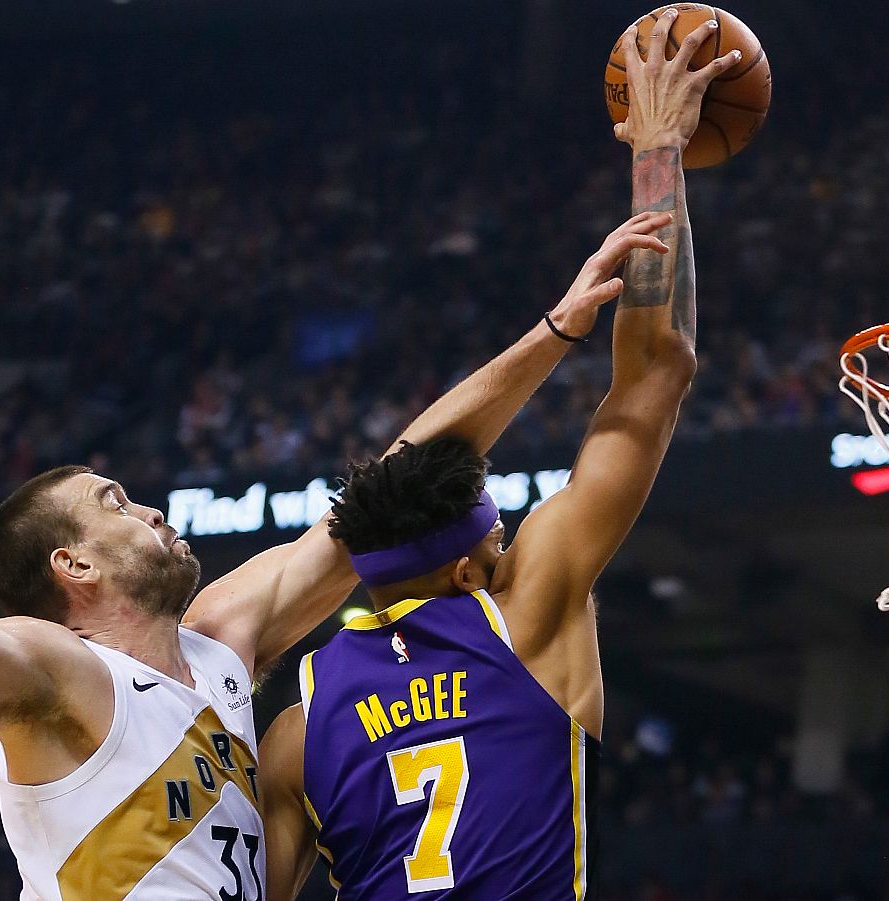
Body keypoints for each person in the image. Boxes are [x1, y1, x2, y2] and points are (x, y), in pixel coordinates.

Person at [0, 210, 668, 899]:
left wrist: (553, 331)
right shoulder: (54, 672)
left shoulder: (220, 645)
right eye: (115, 503)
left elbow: (387, 490)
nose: (152, 507)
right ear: (74, 568)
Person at [257, 13, 736, 899]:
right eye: (500, 538)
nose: (510, 546)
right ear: (470, 569)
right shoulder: (525, 612)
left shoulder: (298, 727)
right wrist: (659, 148)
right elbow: (653, 377)